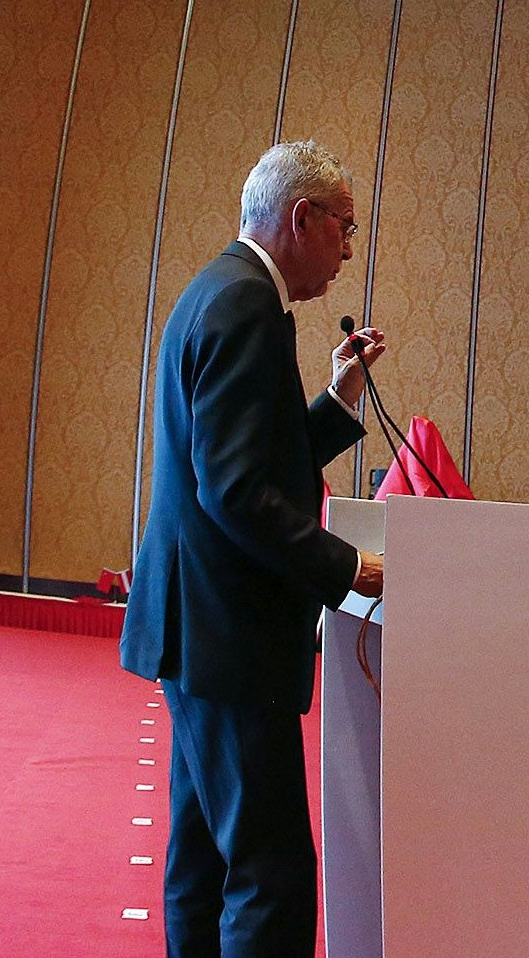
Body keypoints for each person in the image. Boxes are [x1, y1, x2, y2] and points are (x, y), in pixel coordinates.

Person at [122, 140, 392, 958]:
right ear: (301, 216)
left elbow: (254, 461)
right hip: (229, 638)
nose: (350, 247)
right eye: (344, 226)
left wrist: (341, 397)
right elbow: (237, 492)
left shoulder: (225, 291)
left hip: (202, 632)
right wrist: (348, 569)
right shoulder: (245, 306)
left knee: (204, 858)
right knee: (270, 876)